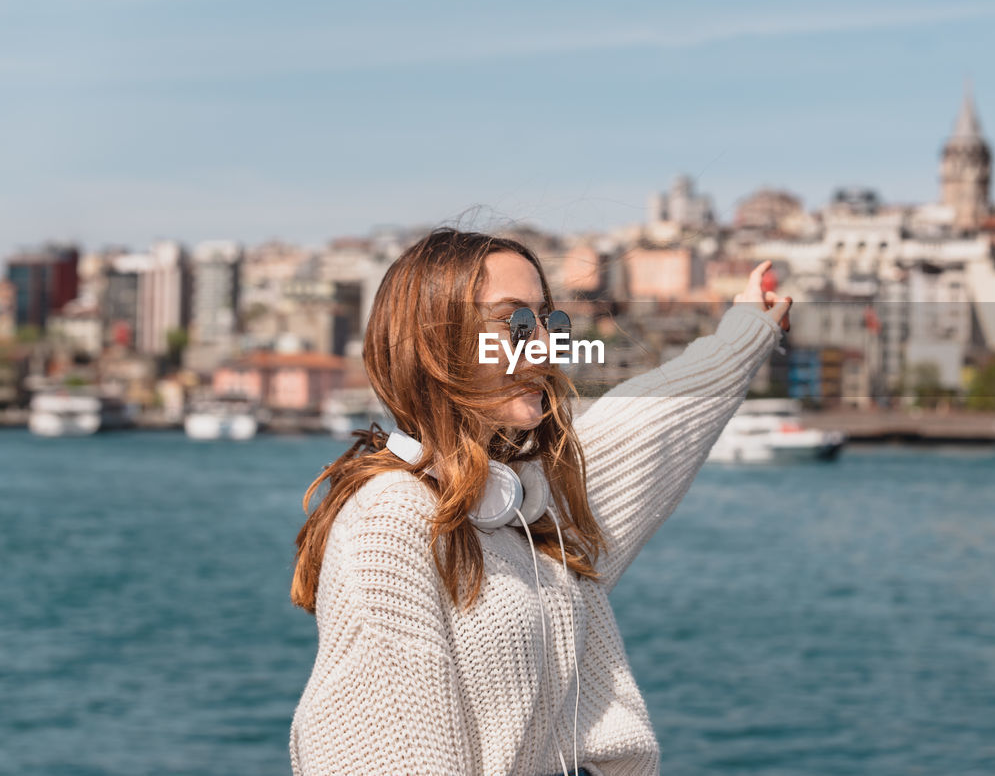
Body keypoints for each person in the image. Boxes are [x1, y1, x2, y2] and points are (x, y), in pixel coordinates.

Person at [288, 228, 791, 775]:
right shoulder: (391, 522)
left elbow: (649, 427)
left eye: (550, 323)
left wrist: (747, 330)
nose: (548, 348)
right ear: (436, 340)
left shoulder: (522, 504)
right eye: (515, 322)